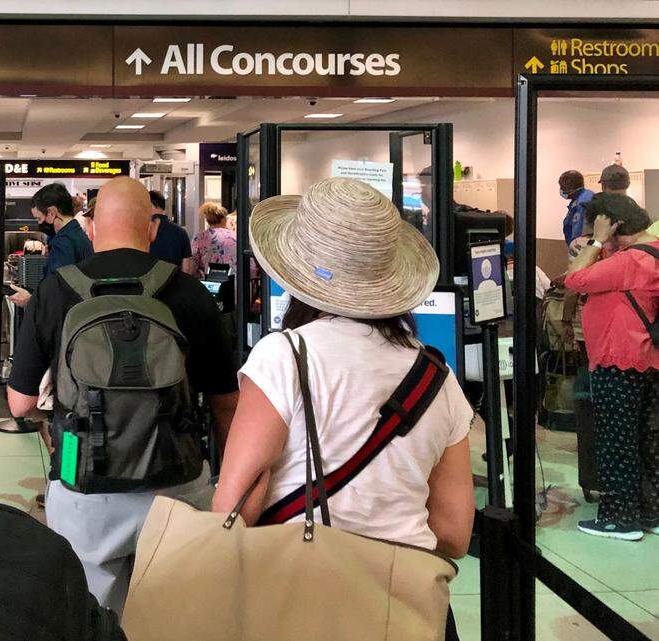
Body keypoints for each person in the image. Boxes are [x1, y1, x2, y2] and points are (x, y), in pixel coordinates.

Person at [6, 176, 240, 612]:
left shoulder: (55, 291)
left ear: (91, 228)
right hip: (177, 483)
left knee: (90, 616)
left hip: (84, 484)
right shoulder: (189, 293)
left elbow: (19, 404)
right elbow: (227, 405)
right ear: (152, 229)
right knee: (176, 618)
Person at [212, 178, 475, 559]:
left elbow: (233, 511)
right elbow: (452, 533)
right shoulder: (436, 376)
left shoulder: (284, 356)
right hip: (408, 599)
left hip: (300, 590)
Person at [564, 193, 659, 540]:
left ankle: (619, 519)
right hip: (649, 360)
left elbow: (573, 279)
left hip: (618, 359)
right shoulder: (653, 251)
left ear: (611, 223)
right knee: (646, 437)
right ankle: (649, 510)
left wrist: (596, 241)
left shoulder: (629, 261)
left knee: (616, 439)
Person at [7, 183, 93, 308]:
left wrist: (31, 301)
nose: (39, 223)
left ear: (52, 212)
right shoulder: (77, 236)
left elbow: (59, 294)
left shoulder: (63, 243)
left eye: (39, 218)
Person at [147, 190, 196, 274]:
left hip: (147, 284)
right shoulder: (180, 232)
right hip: (174, 283)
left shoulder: (141, 231)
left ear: (150, 205)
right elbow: (187, 268)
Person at [191, 202, 236, 276]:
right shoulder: (235, 236)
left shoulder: (199, 237)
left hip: (210, 280)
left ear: (208, 220)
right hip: (233, 281)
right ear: (223, 219)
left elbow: (193, 265)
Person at [560, 170, 595, 247]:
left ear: (569, 186)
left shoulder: (583, 201)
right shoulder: (578, 199)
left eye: (562, 186)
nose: (561, 189)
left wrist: (576, 247)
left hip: (581, 247)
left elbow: (579, 233)